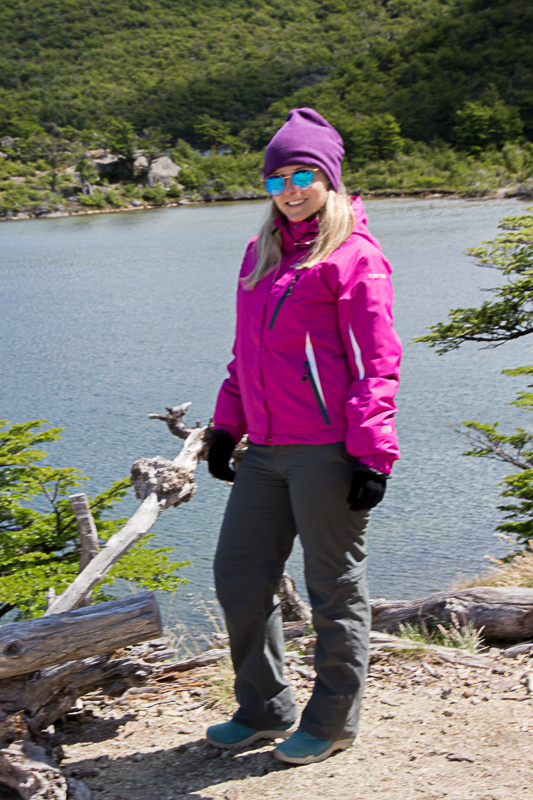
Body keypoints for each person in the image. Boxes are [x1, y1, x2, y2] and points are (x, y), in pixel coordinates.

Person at [206, 108, 402, 765]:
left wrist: (372, 453)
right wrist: (224, 424)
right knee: (238, 571)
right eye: (276, 179)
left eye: (302, 174)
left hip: (326, 449)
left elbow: (378, 363)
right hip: (264, 450)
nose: (289, 189)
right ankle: (263, 708)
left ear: (329, 179)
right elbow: (245, 355)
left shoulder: (353, 257)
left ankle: (331, 721)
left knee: (332, 588)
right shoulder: (258, 253)